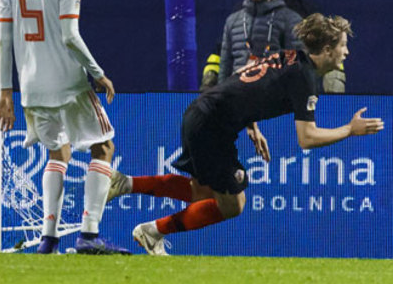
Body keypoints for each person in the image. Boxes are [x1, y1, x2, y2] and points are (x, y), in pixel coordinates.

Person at [113, 14, 383, 255]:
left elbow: (244, 78)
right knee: (233, 204)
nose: (346, 52)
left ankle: (126, 184)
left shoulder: (288, 57)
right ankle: (152, 231)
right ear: (326, 50)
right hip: (212, 125)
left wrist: (251, 124)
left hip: (201, 113)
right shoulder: (305, 78)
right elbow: (307, 138)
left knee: (202, 192)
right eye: (343, 46)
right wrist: (350, 129)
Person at [0, 0, 129, 255]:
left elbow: (3, 39)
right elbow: (70, 35)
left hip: (31, 86)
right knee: (103, 148)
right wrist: (98, 74)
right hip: (68, 84)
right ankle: (88, 234)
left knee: (58, 151)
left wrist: (5, 91)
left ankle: (48, 239)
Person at [201, 0, 305, 90]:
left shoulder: (291, 20)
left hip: (274, 100)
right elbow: (225, 67)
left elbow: (297, 69)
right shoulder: (232, 21)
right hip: (236, 98)